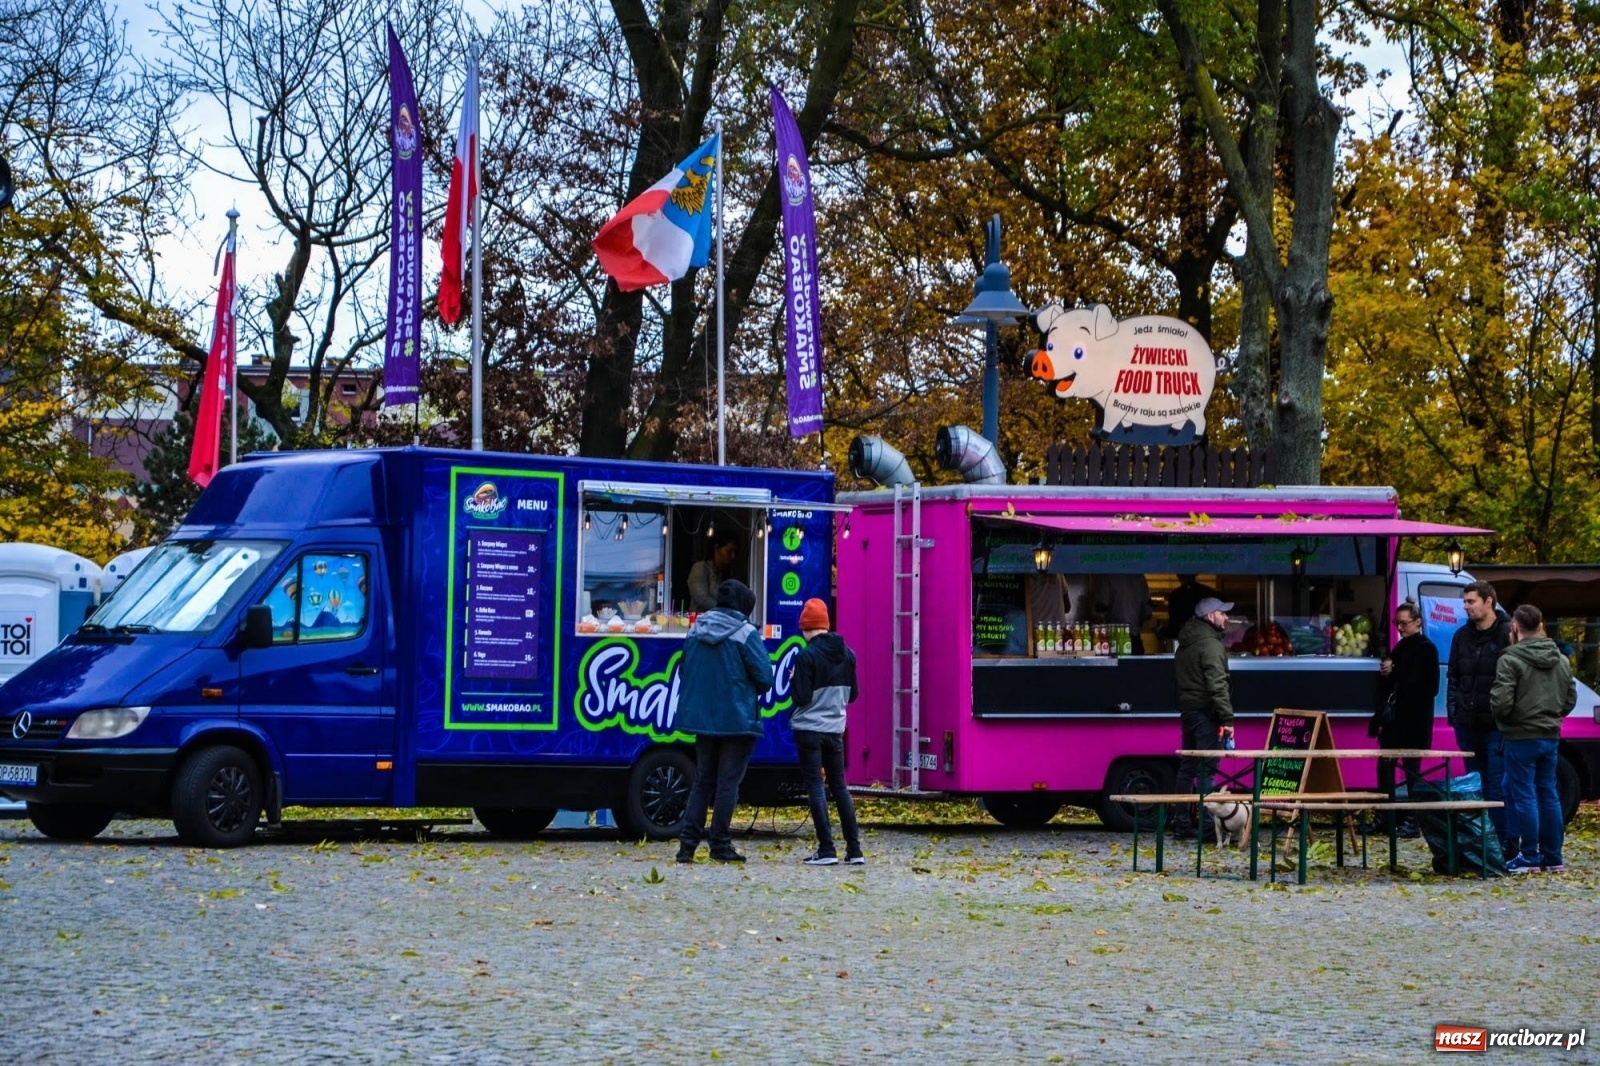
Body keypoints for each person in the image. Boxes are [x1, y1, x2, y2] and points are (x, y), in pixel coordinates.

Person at [674, 580, 775, 864]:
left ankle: (687, 846)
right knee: (727, 783)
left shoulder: (696, 630)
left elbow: (685, 670)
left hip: (703, 721)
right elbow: (765, 679)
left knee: (703, 781)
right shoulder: (745, 633)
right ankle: (719, 844)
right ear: (743, 604)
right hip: (737, 720)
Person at [1491, 604, 1577, 874]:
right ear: (1540, 626)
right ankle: (1553, 857)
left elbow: (1501, 702)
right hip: (1549, 735)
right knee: (1548, 794)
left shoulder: (1510, 659)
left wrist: (1506, 719)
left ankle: (1528, 855)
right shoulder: (1561, 659)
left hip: (1520, 736)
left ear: (1515, 627)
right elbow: (1570, 698)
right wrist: (1552, 715)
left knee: (1524, 794)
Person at [790, 598, 865, 866]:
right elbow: (853, 695)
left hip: (809, 730)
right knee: (840, 787)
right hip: (835, 730)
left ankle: (826, 849)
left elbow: (799, 697)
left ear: (807, 628)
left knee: (815, 786)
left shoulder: (806, 656)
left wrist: (792, 678)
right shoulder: (849, 654)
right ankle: (855, 850)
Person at [1446, 580, 1513, 854]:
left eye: (1471, 601)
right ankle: (1480, 842)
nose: (1466, 606)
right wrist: (1455, 712)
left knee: (1496, 785)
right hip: (1468, 722)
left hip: (1496, 725)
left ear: (1489, 602)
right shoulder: (1461, 635)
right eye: (1465, 602)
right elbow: (1453, 676)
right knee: (1474, 784)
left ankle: (1503, 843)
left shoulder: (1507, 633)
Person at [1368, 600, 1439, 837]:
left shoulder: (1426, 648)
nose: (1400, 628)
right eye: (1397, 624)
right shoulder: (1400, 647)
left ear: (1418, 622)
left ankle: (1413, 819)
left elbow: (1429, 687)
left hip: (1414, 721)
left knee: (1412, 772)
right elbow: (1392, 683)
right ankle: (1385, 815)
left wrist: (1395, 672)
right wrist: (1387, 674)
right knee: (1385, 767)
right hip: (1395, 722)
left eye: (1405, 623)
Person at [1171, 596, 1236, 838]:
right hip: (1206, 713)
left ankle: (1181, 825)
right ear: (1210, 616)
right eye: (1222, 613)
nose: (1226, 617)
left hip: (1188, 710)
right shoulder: (1210, 645)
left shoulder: (1186, 642)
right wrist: (1227, 719)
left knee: (1187, 769)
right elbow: (1217, 685)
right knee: (1207, 770)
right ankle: (1208, 827)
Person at [1094, 573, 1154, 654]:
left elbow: (1100, 612)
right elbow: (1147, 612)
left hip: (1114, 639)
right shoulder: (1139, 577)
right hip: (1135, 639)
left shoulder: (1107, 575)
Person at [688, 533, 738, 613]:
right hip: (701, 620)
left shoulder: (726, 573)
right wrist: (726, 610)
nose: (733, 556)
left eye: (735, 552)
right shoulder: (700, 568)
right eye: (729, 551)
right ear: (716, 548)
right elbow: (701, 598)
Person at [1161, 574, 1216, 643]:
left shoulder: (1176, 595)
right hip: (1207, 636)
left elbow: (1174, 625)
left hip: (1185, 638)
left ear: (1179, 576)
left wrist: (1161, 631)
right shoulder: (1208, 592)